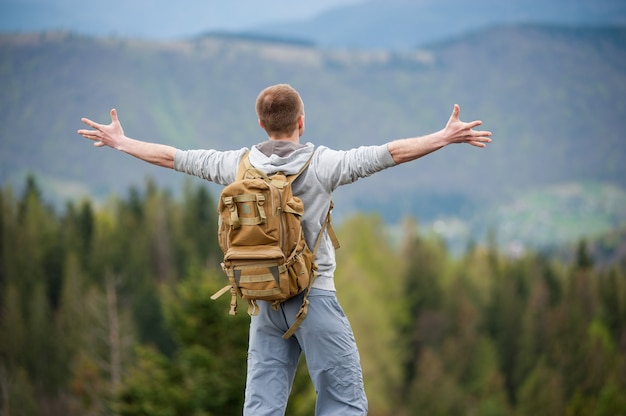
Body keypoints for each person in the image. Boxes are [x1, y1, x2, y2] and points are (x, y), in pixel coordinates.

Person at [78, 83, 492, 415]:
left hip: (263, 299)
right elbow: (389, 154)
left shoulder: (236, 165)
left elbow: (175, 158)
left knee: (261, 406)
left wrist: (122, 142)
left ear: (261, 123)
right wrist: (444, 136)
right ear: (301, 121)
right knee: (344, 402)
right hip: (315, 299)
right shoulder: (325, 164)